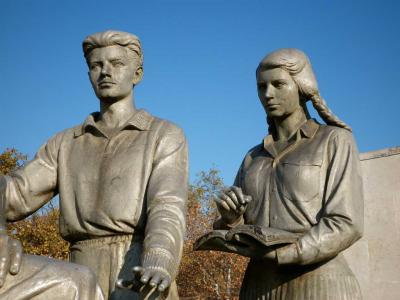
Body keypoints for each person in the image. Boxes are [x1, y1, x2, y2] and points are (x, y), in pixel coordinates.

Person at [0, 30, 188, 300]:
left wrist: (158, 260)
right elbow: (15, 193)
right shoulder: (66, 142)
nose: (105, 72)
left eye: (117, 64)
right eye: (96, 66)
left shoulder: (164, 134)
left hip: (141, 272)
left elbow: (167, 207)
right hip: (80, 270)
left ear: (137, 74)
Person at [214, 48, 363, 299]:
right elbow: (240, 227)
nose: (268, 94)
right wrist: (231, 219)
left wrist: (284, 254)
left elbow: (346, 223)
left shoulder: (335, 140)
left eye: (278, 84)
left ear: (302, 87)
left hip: (320, 282)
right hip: (259, 285)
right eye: (262, 87)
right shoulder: (252, 157)